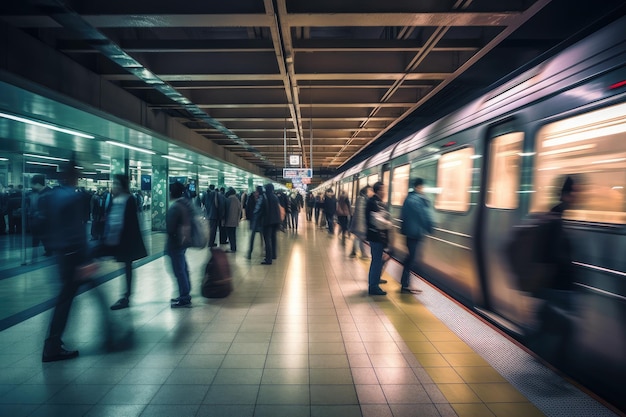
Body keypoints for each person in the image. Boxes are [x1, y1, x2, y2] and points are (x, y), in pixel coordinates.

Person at [42, 164, 93, 362]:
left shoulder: (52, 196)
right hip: (74, 255)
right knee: (66, 300)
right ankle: (52, 345)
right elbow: (77, 231)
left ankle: (53, 342)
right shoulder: (72, 197)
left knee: (65, 297)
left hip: (60, 253)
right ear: (74, 175)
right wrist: (86, 258)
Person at [100, 175, 148, 310]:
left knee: (127, 266)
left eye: (116, 184)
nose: (114, 186)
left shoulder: (129, 199)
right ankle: (125, 295)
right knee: (126, 266)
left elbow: (130, 223)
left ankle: (126, 296)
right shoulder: (116, 200)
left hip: (125, 241)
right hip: (116, 240)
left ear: (122, 185)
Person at [399, 178, 434, 294]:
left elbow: (402, 216)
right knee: (411, 259)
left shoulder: (408, 198)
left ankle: (405, 283)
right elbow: (424, 216)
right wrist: (430, 229)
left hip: (409, 233)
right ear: (419, 187)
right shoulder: (419, 199)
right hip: (416, 233)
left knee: (410, 258)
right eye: (422, 187)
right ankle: (405, 284)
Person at [167, 181, 193, 308]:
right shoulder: (184, 205)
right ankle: (185, 292)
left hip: (175, 243)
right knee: (182, 268)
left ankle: (184, 296)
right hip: (182, 242)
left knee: (179, 270)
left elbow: (170, 228)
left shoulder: (175, 207)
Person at [366, 182, 392, 296]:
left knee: (379, 260)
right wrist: (388, 224)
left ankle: (376, 279)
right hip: (376, 236)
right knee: (376, 261)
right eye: (382, 190)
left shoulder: (377, 202)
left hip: (378, 236)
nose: (384, 192)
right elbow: (377, 221)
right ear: (377, 191)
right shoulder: (373, 203)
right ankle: (373, 286)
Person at [28, 174, 52, 258]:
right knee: (36, 236)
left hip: (44, 220)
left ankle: (49, 250)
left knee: (44, 236)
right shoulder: (34, 193)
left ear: (38, 184)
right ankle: (37, 251)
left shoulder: (48, 193)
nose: (31, 186)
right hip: (36, 219)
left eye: (33, 184)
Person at [259, 183, 281, 265]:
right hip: (275, 221)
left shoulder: (265, 197)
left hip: (268, 221)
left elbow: (263, 209)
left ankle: (268, 259)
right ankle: (273, 255)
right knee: (273, 238)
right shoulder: (275, 197)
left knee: (267, 239)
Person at [349, 185, 373, 259]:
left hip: (359, 223)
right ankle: (363, 254)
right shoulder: (362, 200)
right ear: (366, 191)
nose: (371, 192)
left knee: (358, 237)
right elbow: (360, 214)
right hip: (360, 223)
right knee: (360, 238)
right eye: (370, 190)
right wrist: (362, 226)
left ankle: (353, 252)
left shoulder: (362, 199)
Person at [247, 185, 264, 260]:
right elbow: (248, 208)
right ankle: (249, 252)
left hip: (260, 221)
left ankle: (262, 250)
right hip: (254, 220)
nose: (255, 193)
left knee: (262, 236)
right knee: (252, 237)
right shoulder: (251, 198)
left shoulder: (262, 198)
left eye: (256, 191)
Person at [224, 187, 241, 252]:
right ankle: (233, 248)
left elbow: (225, 210)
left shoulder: (228, 200)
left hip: (228, 220)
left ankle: (232, 248)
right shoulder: (237, 199)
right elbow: (240, 209)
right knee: (233, 235)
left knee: (230, 235)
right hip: (235, 220)